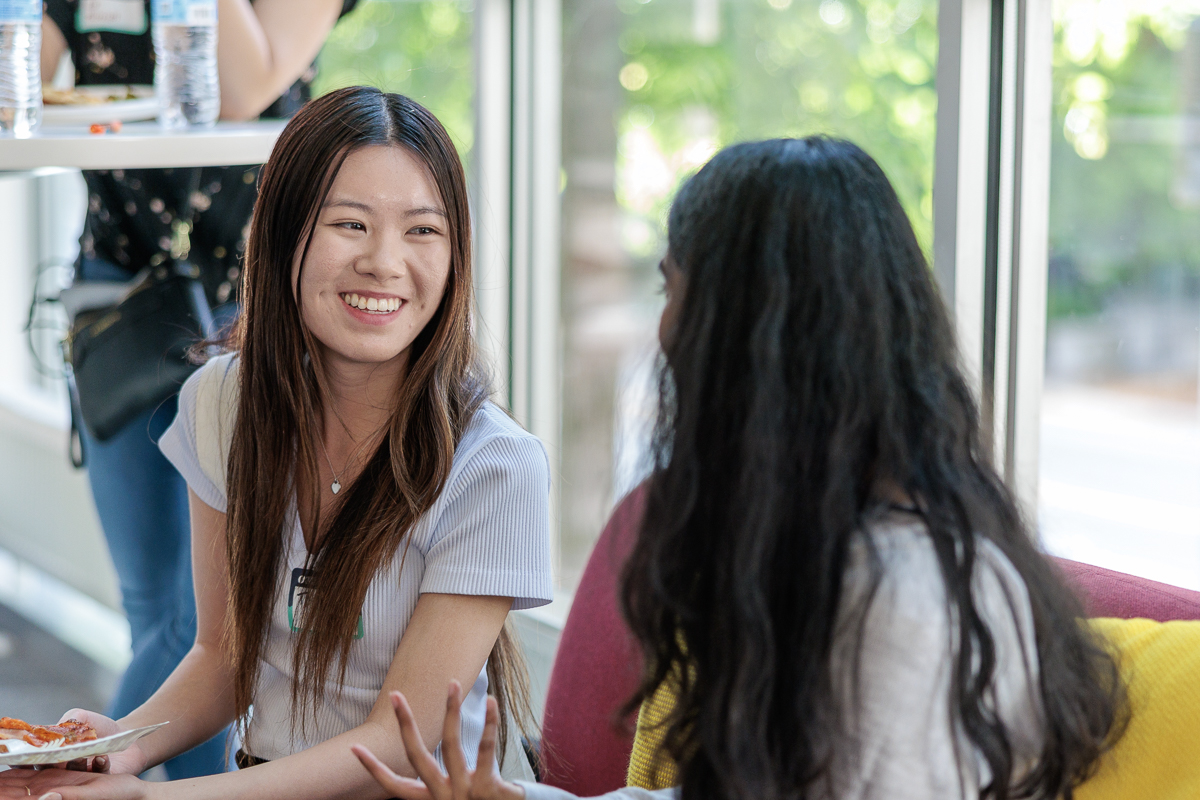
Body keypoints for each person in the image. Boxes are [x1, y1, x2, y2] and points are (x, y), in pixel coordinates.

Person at [353, 138, 1126, 800]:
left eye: (672, 288)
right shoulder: (831, 546)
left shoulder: (900, 606)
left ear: (747, 335)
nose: (662, 329)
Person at [1, 86, 552, 800]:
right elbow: (223, 655)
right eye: (350, 224)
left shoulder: (495, 465)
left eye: (423, 231)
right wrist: (115, 750)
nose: (386, 263)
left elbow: (399, 741)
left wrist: (157, 798)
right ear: (284, 235)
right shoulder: (223, 402)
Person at [40, 0, 360, 779]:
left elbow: (242, 87)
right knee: (152, 604)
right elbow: (28, 58)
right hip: (117, 295)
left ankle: (62, 774)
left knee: (202, 614)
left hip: (247, 298)